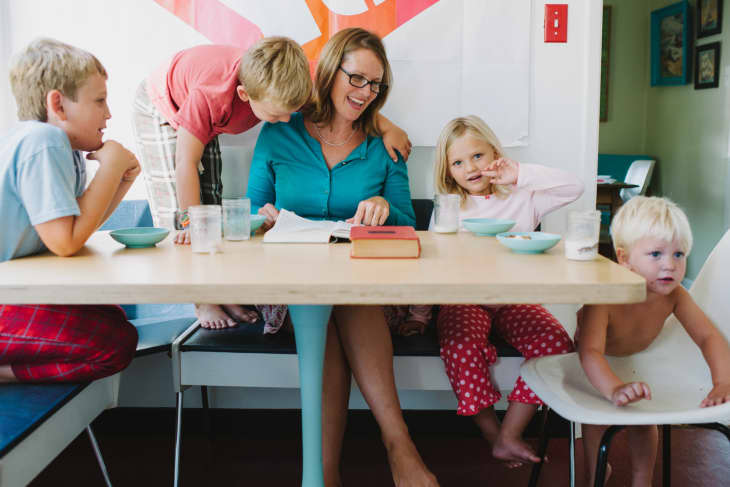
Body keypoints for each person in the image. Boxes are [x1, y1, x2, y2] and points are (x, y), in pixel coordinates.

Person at [247, 28, 438, 487]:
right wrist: (264, 217)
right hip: (290, 291)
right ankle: (390, 451)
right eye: (356, 79)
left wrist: (385, 209)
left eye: (375, 85)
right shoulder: (279, 131)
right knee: (324, 312)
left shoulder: (385, 144)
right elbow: (249, 211)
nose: (365, 93)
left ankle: (376, 455)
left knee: (348, 301)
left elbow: (409, 223)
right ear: (330, 72)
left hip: (366, 294)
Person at [132, 37, 411, 330]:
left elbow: (347, 99)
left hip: (208, 110)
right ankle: (203, 301)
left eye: (289, 112)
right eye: (275, 114)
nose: (283, 121)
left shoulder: (288, 89)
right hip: (162, 105)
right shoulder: (209, 98)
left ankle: (218, 292)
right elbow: (185, 164)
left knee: (210, 209)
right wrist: (189, 224)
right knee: (186, 222)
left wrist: (388, 127)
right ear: (243, 95)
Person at [416, 115, 584, 467]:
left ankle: (511, 432)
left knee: (555, 342)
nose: (471, 168)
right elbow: (433, 260)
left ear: (495, 153)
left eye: (478, 156)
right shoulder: (450, 206)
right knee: (461, 346)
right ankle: (492, 434)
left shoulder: (524, 199)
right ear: (448, 171)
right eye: (458, 162)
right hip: (464, 300)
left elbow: (574, 187)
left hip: (514, 300)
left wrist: (520, 174)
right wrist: (422, 311)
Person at [0, 38, 139, 382]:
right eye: (100, 101)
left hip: (13, 292)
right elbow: (65, 243)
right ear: (58, 105)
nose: (108, 114)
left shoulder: (62, 147)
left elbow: (78, 229)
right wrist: (109, 169)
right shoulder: (42, 141)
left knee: (113, 319)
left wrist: (119, 179)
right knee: (115, 342)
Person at [577, 196, 730, 487]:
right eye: (656, 254)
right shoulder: (606, 295)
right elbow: (590, 351)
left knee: (645, 417)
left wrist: (722, 380)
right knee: (595, 420)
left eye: (679, 255)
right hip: (596, 366)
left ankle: (642, 479)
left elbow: (708, 336)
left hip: (638, 363)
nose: (670, 266)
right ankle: (595, 472)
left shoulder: (675, 295)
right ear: (624, 259)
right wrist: (613, 388)